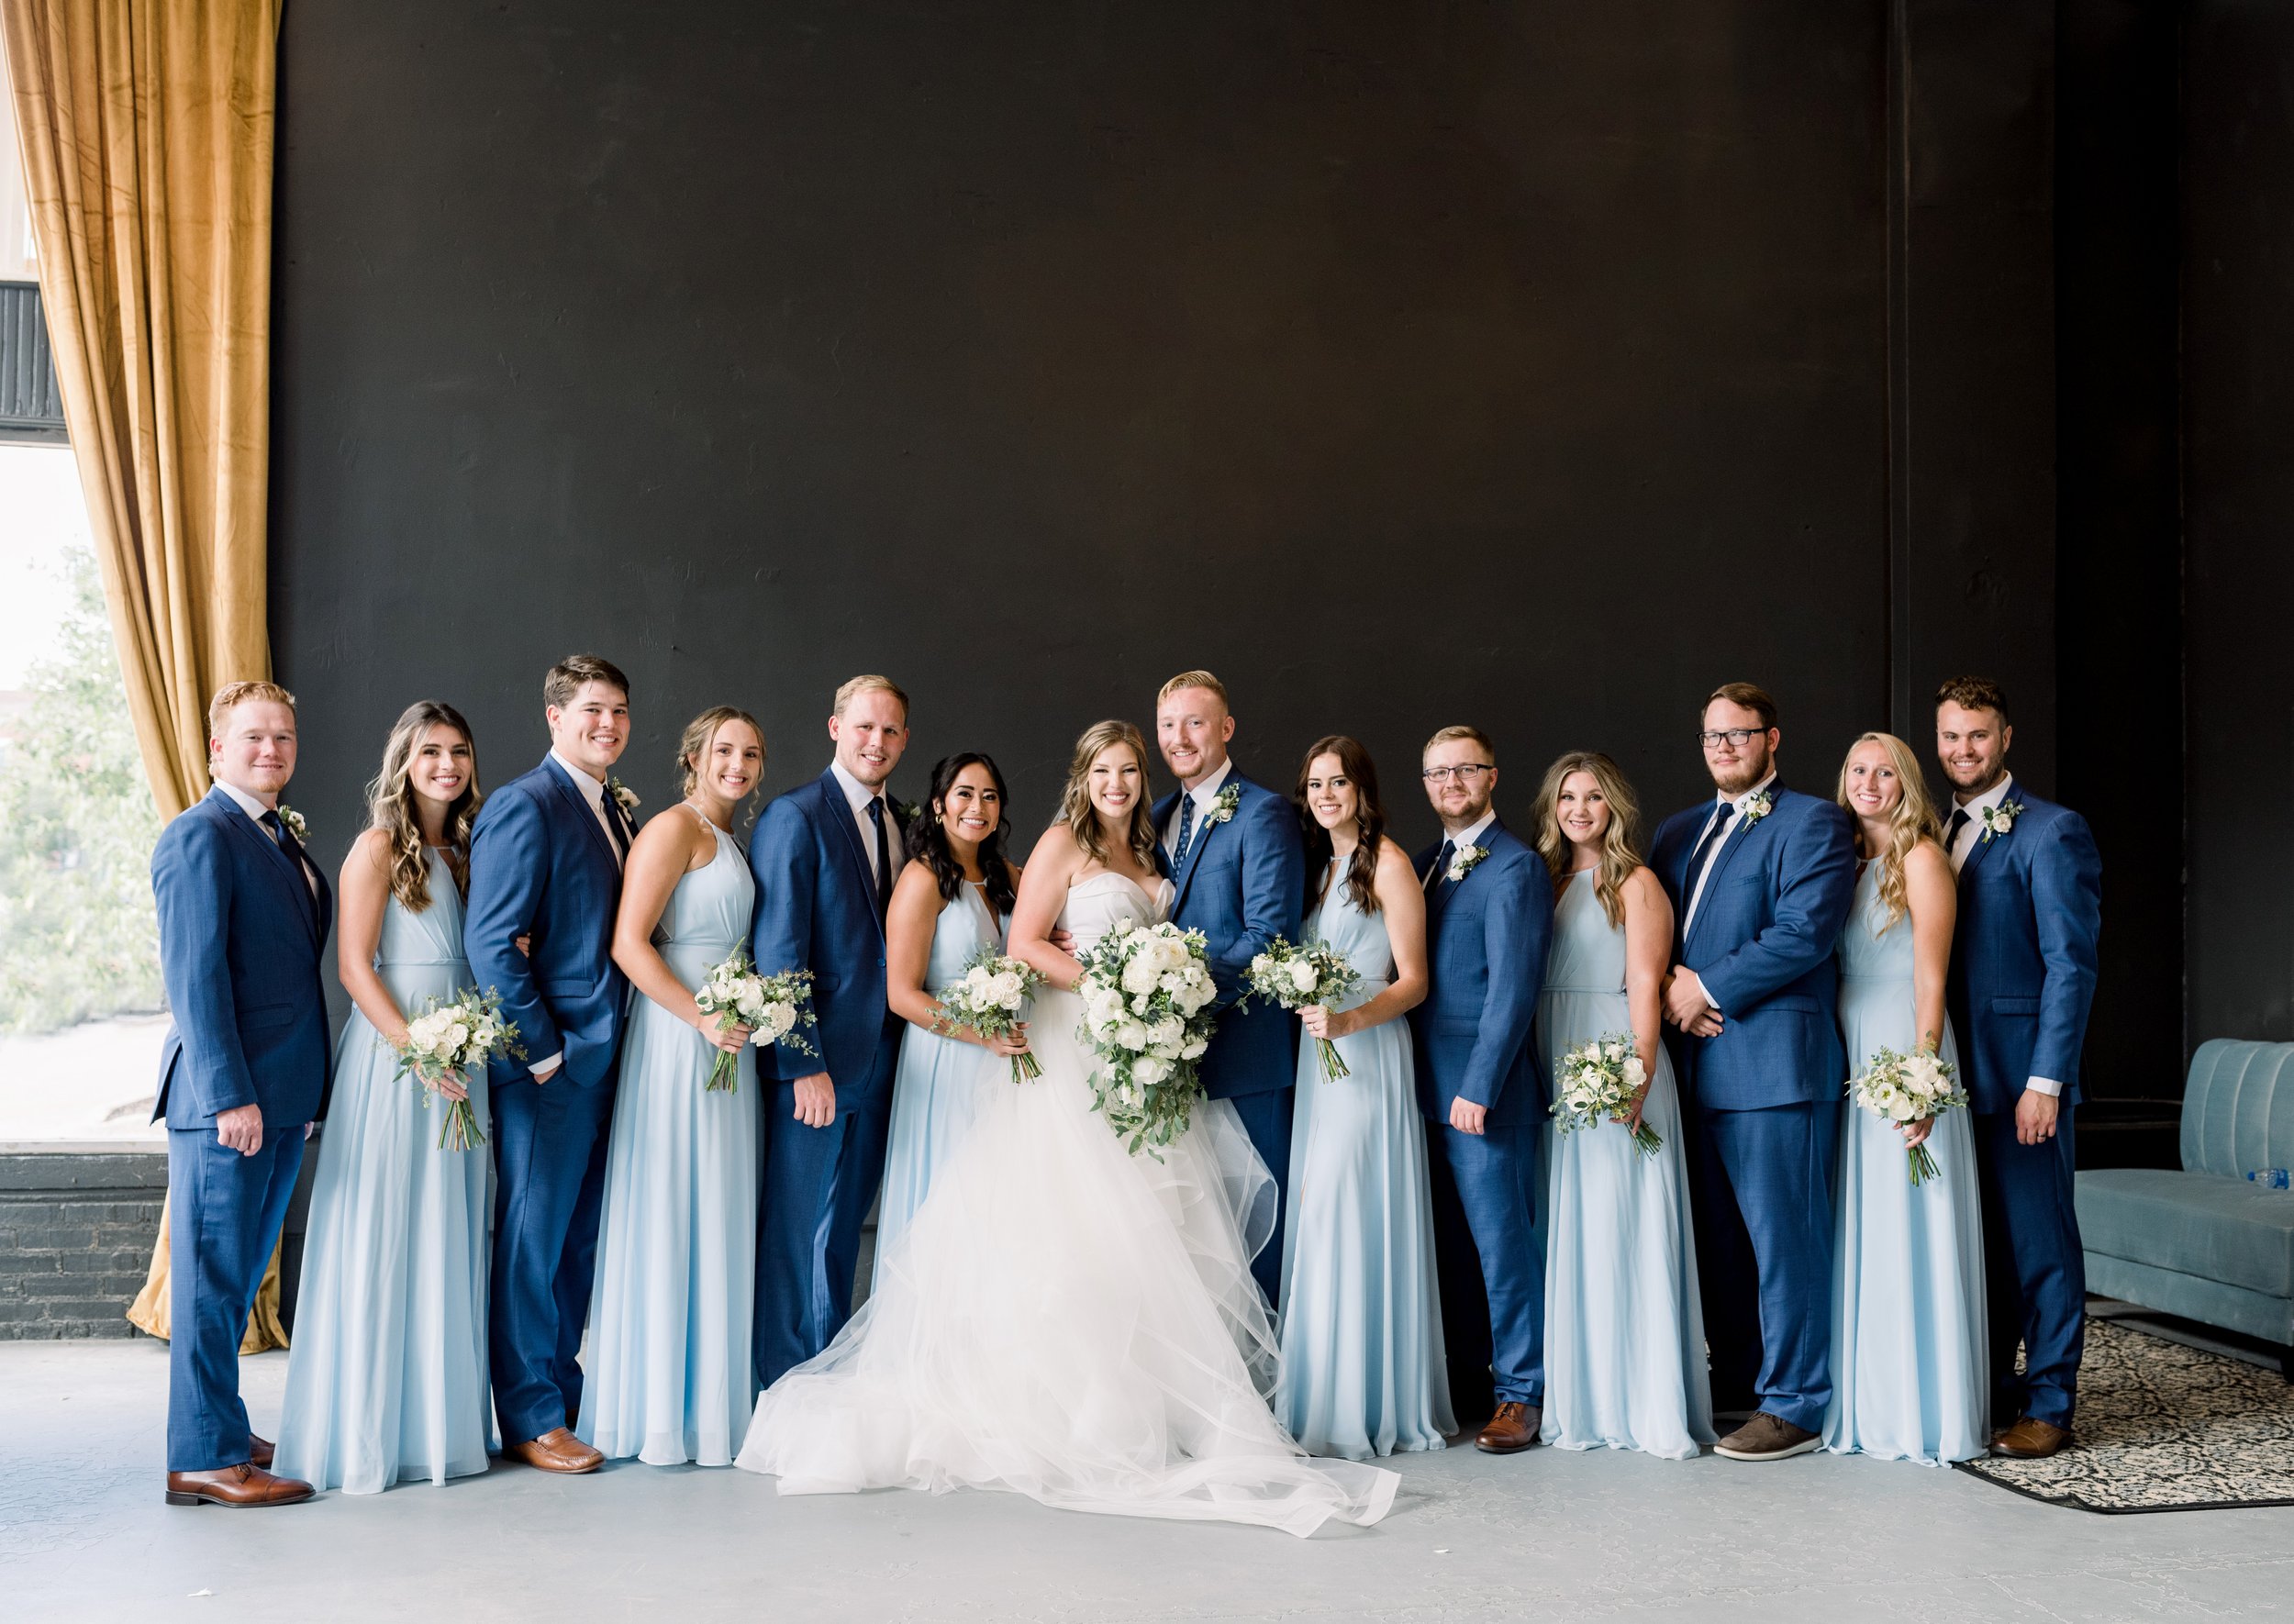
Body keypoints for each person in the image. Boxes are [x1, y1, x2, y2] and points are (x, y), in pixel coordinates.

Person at [736, 722, 1397, 1536]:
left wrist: (1150, 1006)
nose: (1117, 784)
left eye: (1128, 770)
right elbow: (1025, 942)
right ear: (1081, 778)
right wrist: (1113, 989)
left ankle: (1145, 1404)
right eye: (1102, 770)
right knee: (1071, 1222)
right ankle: (1068, 1409)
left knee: (1148, 1224)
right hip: (1076, 1045)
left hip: (1135, 1057)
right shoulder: (1061, 843)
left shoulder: (1156, 858)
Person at [275, 702, 491, 1494]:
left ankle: (437, 1426)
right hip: (398, 1058)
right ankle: (364, 1428)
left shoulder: (469, 848)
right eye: (431, 751)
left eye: (459, 752)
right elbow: (355, 968)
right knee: (384, 1227)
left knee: (446, 1229)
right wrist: (417, 1050)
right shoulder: (376, 849)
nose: (447, 765)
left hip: (464, 1055)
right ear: (404, 760)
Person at [1650, 683, 1857, 1463]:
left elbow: (1805, 932)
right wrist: (1675, 983)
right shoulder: (1679, 832)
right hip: (1692, 1066)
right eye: (1713, 736)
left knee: (1785, 1241)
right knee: (1721, 1245)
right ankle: (1741, 1383)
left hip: (1775, 1064)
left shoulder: (1814, 823)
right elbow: (1654, 930)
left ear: (1773, 739)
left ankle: (1798, 1401)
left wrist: (1703, 987)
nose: (1725, 748)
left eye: (1740, 734)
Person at [154, 681, 333, 1508]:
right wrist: (230, 1095)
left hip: (281, 1094)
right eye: (255, 737)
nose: (273, 750)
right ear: (217, 746)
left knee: (237, 1275)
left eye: (285, 738)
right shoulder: (200, 836)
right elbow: (194, 979)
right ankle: (202, 1455)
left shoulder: (271, 834)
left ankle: (220, 1424)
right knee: (210, 1281)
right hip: (228, 1101)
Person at [579, 708, 768, 1466]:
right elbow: (628, 943)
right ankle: (657, 1412)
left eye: (751, 753)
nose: (739, 764)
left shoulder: (729, 839)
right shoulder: (672, 828)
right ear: (693, 758)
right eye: (724, 751)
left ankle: (709, 1409)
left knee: (714, 1207)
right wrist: (700, 1020)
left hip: (726, 1040)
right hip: (680, 1039)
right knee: (674, 1205)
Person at [466, 654, 639, 1475]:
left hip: (608, 1062)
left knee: (576, 1245)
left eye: (618, 712)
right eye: (592, 710)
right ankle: (531, 1415)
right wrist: (540, 1052)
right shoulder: (523, 804)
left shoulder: (614, 809)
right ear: (554, 717)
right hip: (550, 1068)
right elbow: (493, 942)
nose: (607, 724)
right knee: (534, 1244)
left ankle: (561, 1401)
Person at [1933, 677, 2101, 1461]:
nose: (1962, 750)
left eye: (1977, 735)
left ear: (2004, 739)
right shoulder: (1933, 829)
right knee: (1986, 1246)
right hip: (1955, 1076)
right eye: (1950, 736)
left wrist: (2047, 1081)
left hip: (2022, 1078)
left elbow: (2071, 966)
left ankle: (2052, 1402)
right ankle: (1996, 1389)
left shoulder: (2052, 831)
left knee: (2041, 1245)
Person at [1531, 751, 1713, 1459]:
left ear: (1615, 808)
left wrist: (1638, 1070)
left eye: (1594, 797)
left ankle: (1640, 1398)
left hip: (1612, 1056)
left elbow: (1645, 979)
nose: (1579, 809)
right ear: (1552, 807)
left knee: (1620, 1221)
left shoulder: (1634, 883)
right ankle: (1583, 1394)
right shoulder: (1542, 881)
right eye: (1568, 796)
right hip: (1554, 1058)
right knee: (1569, 1224)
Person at [1276, 736, 1451, 1461]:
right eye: (1314, 783)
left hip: (1367, 1053)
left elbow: (1413, 981)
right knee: (1320, 1211)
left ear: (1363, 790)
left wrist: (1348, 1018)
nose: (1325, 795)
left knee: (1350, 1209)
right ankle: (1320, 1398)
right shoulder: (1319, 869)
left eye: (1338, 782)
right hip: (1322, 1061)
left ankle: (1367, 1402)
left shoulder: (1391, 864)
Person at [1822, 731, 1986, 1464]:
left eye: (1884, 772)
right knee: (1865, 1214)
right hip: (1854, 1043)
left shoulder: (1921, 859)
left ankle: (1926, 1409)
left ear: (1906, 783)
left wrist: (1923, 1079)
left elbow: (1931, 978)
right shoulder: (1848, 862)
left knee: (1911, 1213)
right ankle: (1869, 1399)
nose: (1869, 782)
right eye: (1858, 770)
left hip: (1903, 1042)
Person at [749, 674, 913, 1387]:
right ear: (835, 728)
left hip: (886, 1059)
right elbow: (779, 950)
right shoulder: (796, 815)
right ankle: (778, 1385)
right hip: (819, 1064)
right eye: (864, 728)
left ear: (903, 740)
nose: (876, 743)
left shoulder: (904, 820)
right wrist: (800, 1061)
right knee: (793, 1230)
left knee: (846, 1229)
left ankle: (828, 1372)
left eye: (890, 731)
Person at [1409, 725, 1554, 1453]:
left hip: (1482, 1096)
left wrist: (1480, 1086)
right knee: (1455, 1253)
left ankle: (1520, 1394)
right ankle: (1470, 1381)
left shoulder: (1516, 868)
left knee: (1504, 1249)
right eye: (1437, 774)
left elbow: (1512, 991)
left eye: (1464, 770)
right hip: (1423, 1090)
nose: (1450, 784)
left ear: (1492, 777)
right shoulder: (1426, 863)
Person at [1152, 672, 1305, 1303]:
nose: (1179, 738)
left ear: (1225, 729)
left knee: (1257, 1221)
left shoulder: (1264, 812)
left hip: (1245, 1052)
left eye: (1194, 722)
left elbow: (1268, 936)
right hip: (1165, 1059)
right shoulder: (1157, 816)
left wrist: (1181, 1002)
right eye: (1167, 725)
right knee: (1192, 1228)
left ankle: (1267, 1383)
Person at [874, 752, 1026, 1280]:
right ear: (939, 805)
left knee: (1001, 1202)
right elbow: (902, 994)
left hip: (1003, 1061)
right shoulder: (922, 880)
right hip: (947, 1059)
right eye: (964, 793)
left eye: (989, 796)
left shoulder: (1005, 874)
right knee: (948, 1194)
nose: (977, 807)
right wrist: (980, 1037)